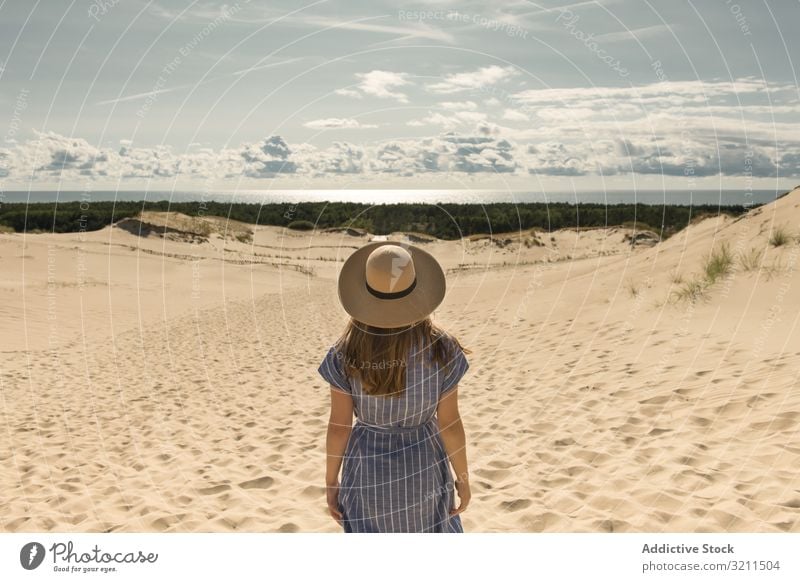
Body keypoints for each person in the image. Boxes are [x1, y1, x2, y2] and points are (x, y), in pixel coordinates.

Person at [318, 241, 472, 533]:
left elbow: (340, 426)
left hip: (367, 471)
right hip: (424, 468)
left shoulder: (345, 351)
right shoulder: (443, 348)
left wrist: (331, 480)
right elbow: (449, 424)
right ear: (419, 294)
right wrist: (462, 478)